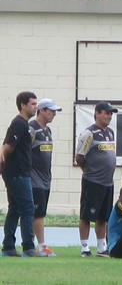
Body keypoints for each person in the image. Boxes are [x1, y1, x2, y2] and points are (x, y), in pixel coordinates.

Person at [1, 91, 44, 257]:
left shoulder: (23, 124)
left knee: (15, 209)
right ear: (23, 105)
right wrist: (4, 165)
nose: (36, 107)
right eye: (33, 104)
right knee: (27, 209)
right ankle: (28, 247)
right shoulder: (20, 124)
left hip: (18, 173)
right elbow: (7, 147)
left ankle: (8, 247)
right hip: (18, 174)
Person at [75, 101, 118, 258]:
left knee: (102, 216)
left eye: (111, 113)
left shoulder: (110, 133)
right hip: (93, 182)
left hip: (108, 182)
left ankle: (101, 247)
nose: (109, 116)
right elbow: (79, 157)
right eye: (106, 113)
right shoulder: (89, 133)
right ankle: (85, 247)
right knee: (87, 215)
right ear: (97, 113)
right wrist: (89, 172)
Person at [29, 98, 61, 256]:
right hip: (34, 180)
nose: (54, 114)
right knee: (38, 214)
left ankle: (33, 246)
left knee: (40, 213)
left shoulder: (48, 131)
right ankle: (41, 247)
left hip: (46, 179)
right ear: (41, 110)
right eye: (51, 110)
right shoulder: (31, 129)